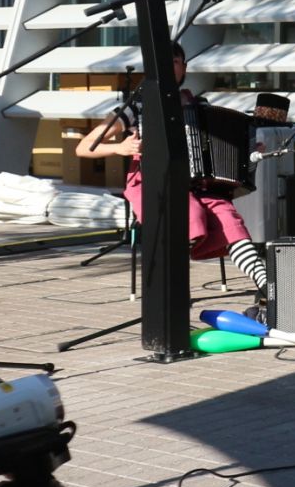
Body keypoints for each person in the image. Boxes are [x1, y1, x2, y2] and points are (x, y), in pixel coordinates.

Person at [75, 44, 269, 300]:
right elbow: (83, 147)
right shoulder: (137, 106)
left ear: (184, 68)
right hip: (153, 181)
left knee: (230, 220)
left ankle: (266, 285)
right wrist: (120, 148)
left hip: (199, 184)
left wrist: (247, 148)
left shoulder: (199, 105)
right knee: (189, 213)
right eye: (163, 62)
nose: (169, 67)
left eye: (175, 62)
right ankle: (170, 289)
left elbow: (219, 148)